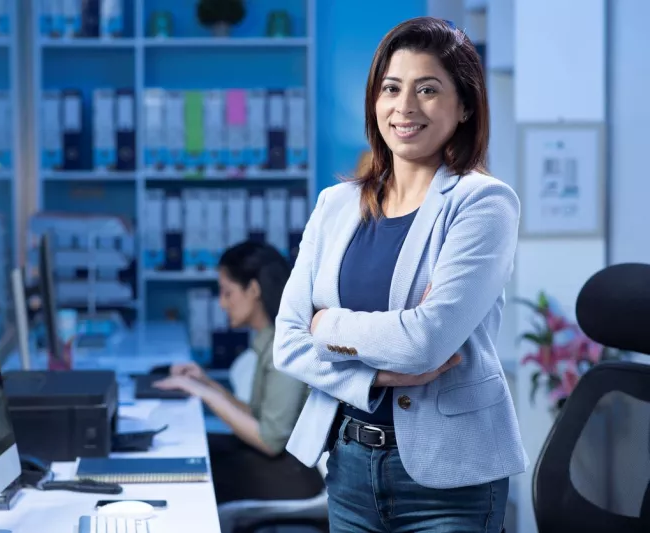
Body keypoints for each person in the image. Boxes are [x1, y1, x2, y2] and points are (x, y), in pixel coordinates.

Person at [273, 17, 527, 532]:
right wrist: (378, 376)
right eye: (391, 88)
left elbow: (423, 345)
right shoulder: (335, 206)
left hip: (450, 483)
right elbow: (287, 344)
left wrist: (327, 326)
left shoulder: (483, 204)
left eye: (428, 90)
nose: (405, 107)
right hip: (348, 467)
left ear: (465, 106)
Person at [153, 241, 324, 505]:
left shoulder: (287, 343)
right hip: (278, 463)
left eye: (227, 293)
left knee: (189, 476)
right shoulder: (268, 339)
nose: (222, 304)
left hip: (292, 474)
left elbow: (270, 439)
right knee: (193, 451)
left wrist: (206, 395)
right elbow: (255, 415)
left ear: (253, 290)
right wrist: (206, 384)